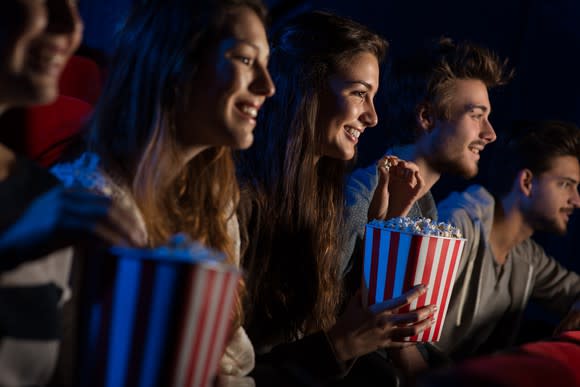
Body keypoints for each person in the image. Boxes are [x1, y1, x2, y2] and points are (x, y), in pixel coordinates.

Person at [49, 0, 275, 385]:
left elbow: (236, 362)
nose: (267, 87)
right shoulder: (84, 203)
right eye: (245, 59)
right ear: (175, 63)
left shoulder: (217, 202)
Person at [236, 11, 435, 386]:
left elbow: (332, 318)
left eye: (373, 97)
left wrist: (385, 226)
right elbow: (234, 369)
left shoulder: (321, 194)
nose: (372, 117)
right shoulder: (243, 198)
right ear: (306, 89)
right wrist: (339, 346)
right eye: (359, 93)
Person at [0, 1, 144, 385]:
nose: (72, 25)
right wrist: (13, 248)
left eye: (75, 4)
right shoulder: (52, 207)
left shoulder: (43, 193)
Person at [436, 120, 580, 360]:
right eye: (566, 185)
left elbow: (574, 290)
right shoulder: (456, 226)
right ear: (526, 182)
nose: (576, 201)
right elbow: (397, 325)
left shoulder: (527, 254)